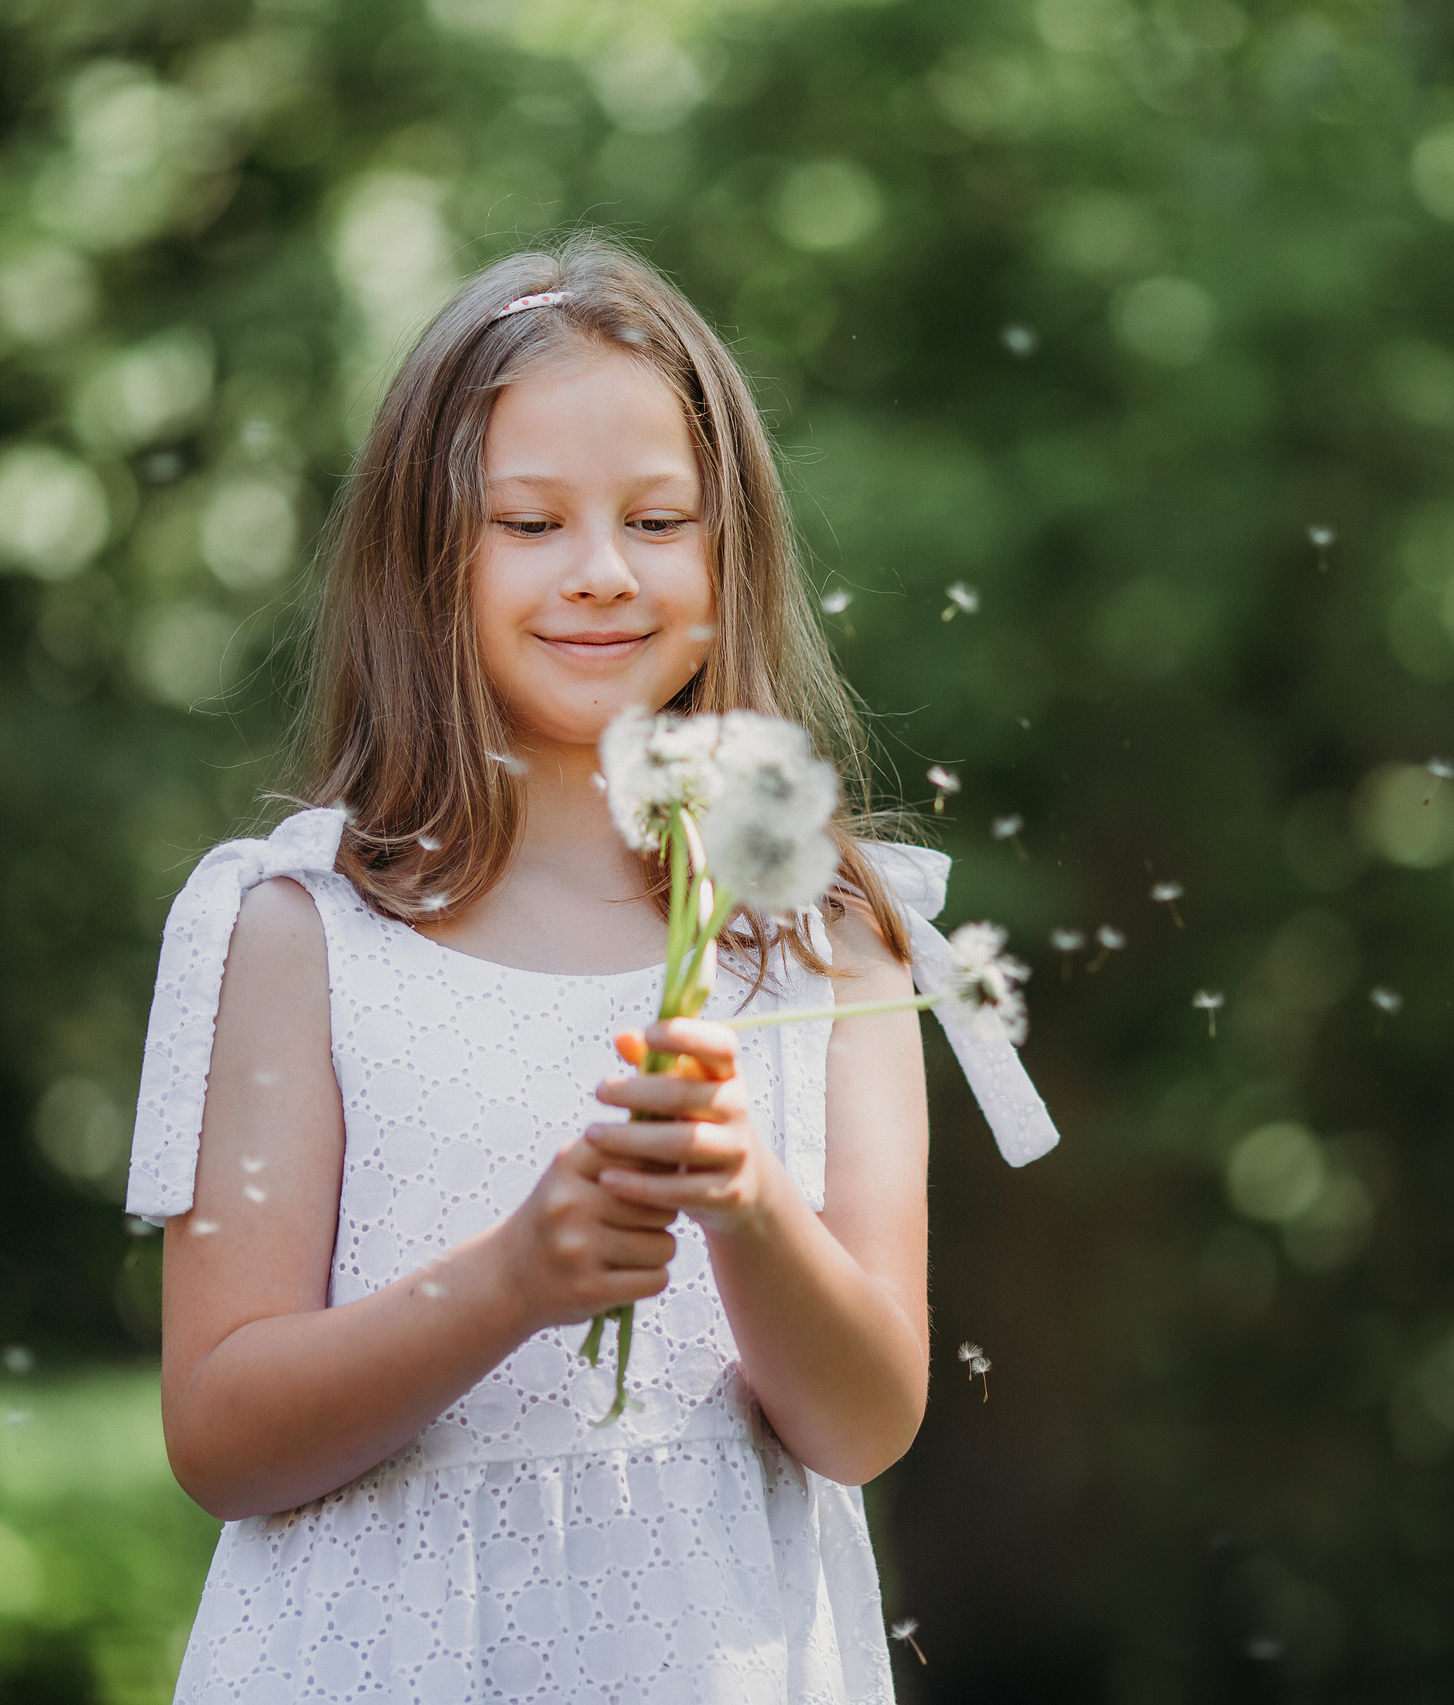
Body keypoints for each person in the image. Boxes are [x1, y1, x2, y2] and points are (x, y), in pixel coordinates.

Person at [125, 235, 1056, 1704]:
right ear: (425, 556)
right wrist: (511, 1282)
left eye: (658, 518)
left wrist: (747, 1201)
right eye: (531, 522)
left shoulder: (825, 933)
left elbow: (865, 1422)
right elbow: (221, 1432)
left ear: (727, 546)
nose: (604, 573)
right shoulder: (303, 934)